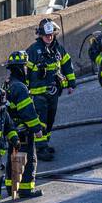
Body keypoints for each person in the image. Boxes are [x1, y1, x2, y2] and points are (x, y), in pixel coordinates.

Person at [25, 18, 75, 162]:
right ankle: (40, 148)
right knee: (41, 122)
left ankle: (44, 144)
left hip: (54, 93)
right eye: (46, 35)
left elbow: (67, 65)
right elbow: (25, 72)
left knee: (50, 120)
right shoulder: (33, 51)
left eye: (51, 34)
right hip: (38, 94)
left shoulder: (58, 49)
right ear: (40, 35)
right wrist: (26, 91)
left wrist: (71, 82)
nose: (49, 37)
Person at [3, 50, 44, 198]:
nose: (27, 70)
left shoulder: (8, 84)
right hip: (22, 131)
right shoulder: (20, 87)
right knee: (28, 159)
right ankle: (26, 189)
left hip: (11, 131)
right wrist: (37, 129)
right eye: (25, 67)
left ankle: (11, 187)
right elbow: (27, 111)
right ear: (21, 68)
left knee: (12, 158)